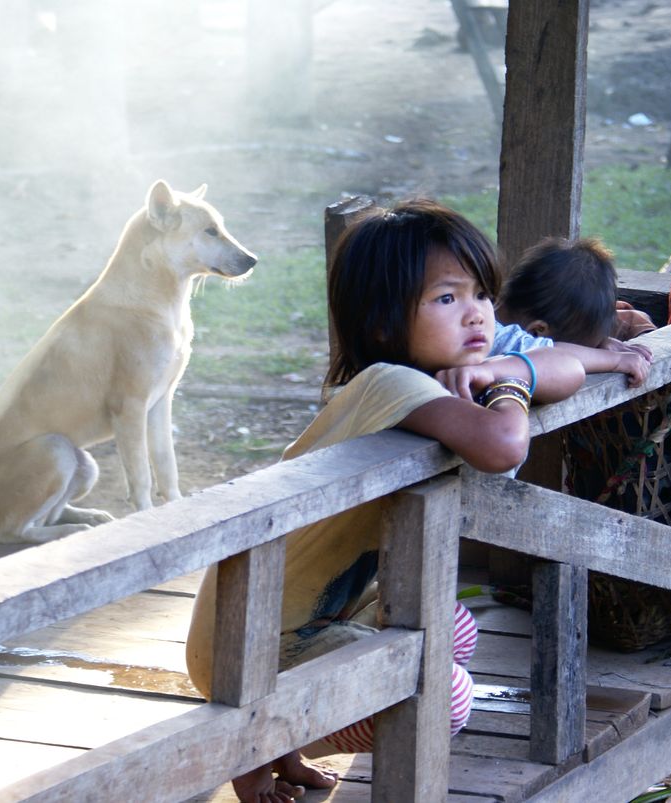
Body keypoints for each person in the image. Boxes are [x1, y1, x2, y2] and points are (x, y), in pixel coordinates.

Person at [185, 199, 587, 802]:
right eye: (447, 299)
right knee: (446, 695)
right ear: (380, 325)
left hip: (300, 621)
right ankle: (254, 742)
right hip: (251, 651)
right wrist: (507, 380)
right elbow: (504, 444)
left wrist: (532, 365)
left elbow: (564, 365)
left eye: (480, 293)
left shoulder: (424, 374)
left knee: (451, 629)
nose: (477, 314)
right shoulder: (390, 383)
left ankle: (282, 740)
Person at [496, 236, 656, 383]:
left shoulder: (488, 302)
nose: (586, 352)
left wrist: (602, 344)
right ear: (537, 331)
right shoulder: (493, 338)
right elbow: (553, 355)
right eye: (582, 349)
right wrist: (614, 360)